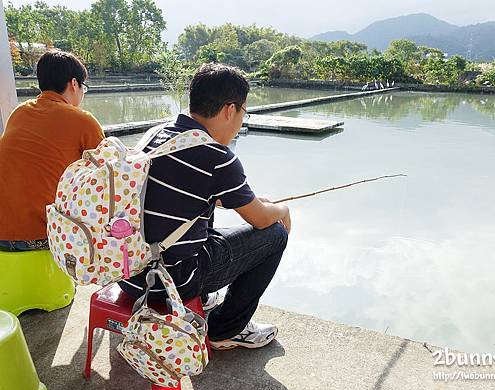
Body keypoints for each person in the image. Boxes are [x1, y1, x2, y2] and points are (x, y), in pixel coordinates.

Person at [119, 63, 290, 350]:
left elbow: (187, 193)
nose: (240, 122)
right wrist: (281, 210)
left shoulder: (155, 136)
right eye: (243, 113)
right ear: (229, 110)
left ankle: (206, 300)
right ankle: (226, 330)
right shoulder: (217, 157)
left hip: (127, 272)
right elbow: (260, 220)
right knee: (275, 235)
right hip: (170, 283)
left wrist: (252, 201)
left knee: (205, 217)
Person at [0, 50, 104, 251]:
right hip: (43, 236)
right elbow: (108, 175)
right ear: (74, 84)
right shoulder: (83, 121)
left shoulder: (19, 113)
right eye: (84, 87)